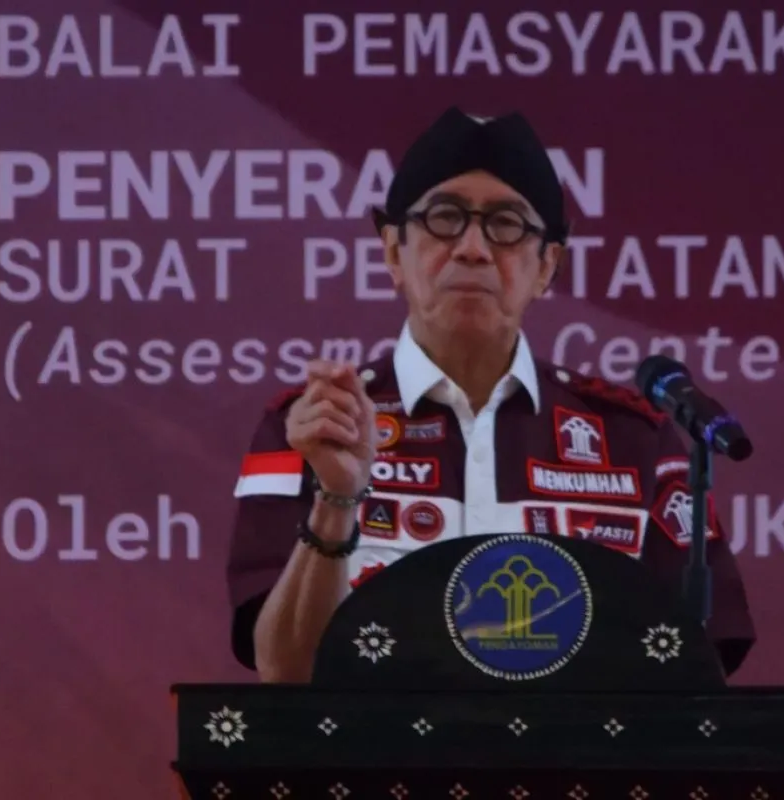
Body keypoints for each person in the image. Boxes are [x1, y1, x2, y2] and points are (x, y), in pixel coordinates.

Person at [225, 107, 755, 684]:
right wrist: (337, 498)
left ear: (547, 265)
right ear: (394, 251)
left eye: (506, 224)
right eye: (445, 218)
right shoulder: (315, 427)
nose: (473, 248)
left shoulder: (635, 440)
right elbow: (285, 672)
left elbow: (697, 675)